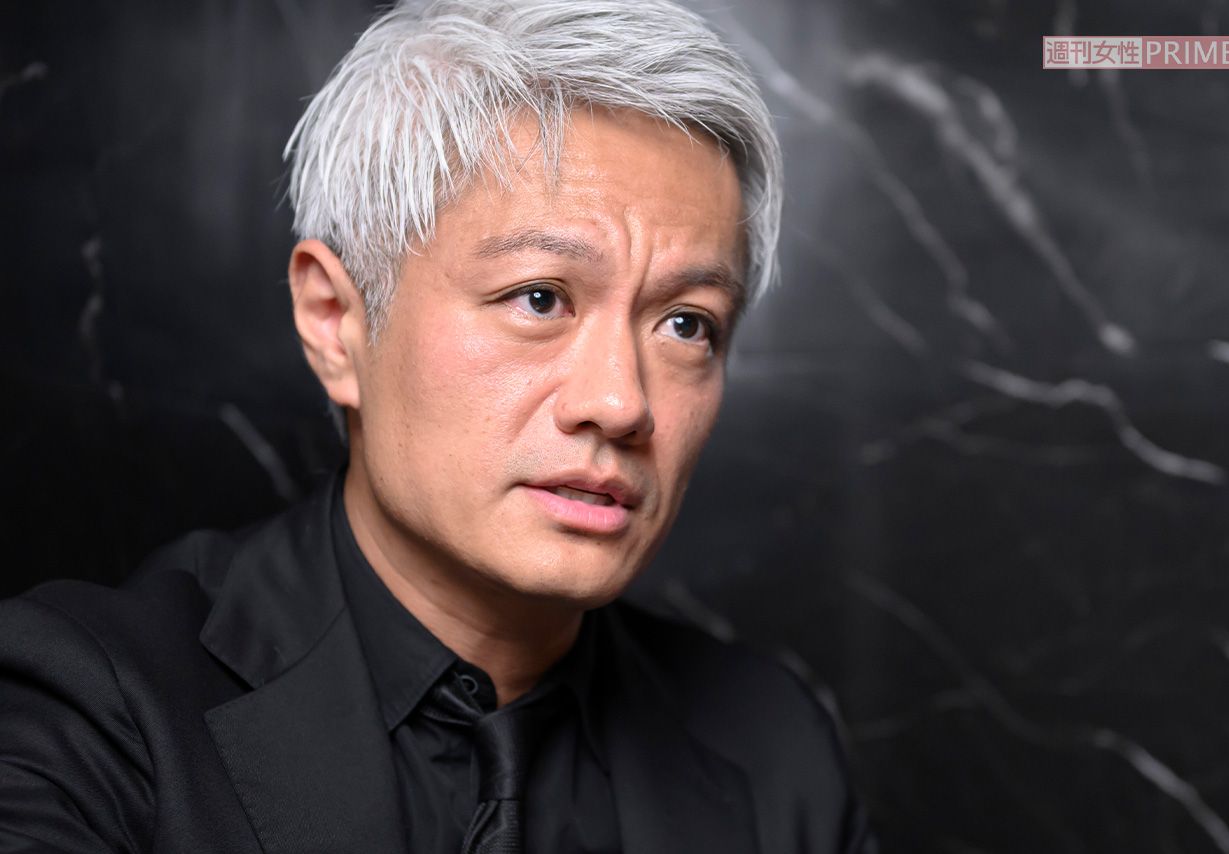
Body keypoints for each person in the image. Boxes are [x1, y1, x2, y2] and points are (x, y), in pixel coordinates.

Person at [0, 1, 873, 851]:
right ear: (336, 322)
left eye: (686, 323)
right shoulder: (87, 710)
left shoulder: (776, 756)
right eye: (540, 299)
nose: (620, 404)